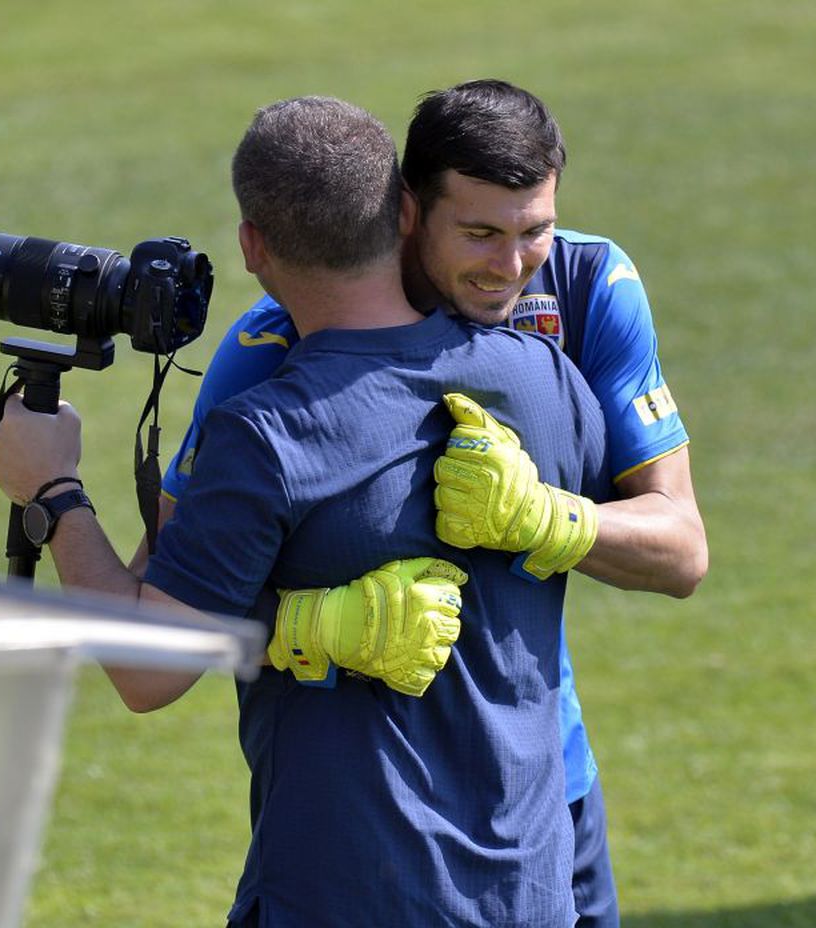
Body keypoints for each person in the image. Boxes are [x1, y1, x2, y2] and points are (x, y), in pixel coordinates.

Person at [0, 95, 611, 927]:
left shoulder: (266, 437)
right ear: (403, 214)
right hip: (531, 896)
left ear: (253, 246)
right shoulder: (546, 381)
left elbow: (147, 669)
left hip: (341, 898)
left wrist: (55, 490)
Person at [155, 79, 710, 926]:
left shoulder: (589, 284)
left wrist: (551, 519)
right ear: (408, 212)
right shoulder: (274, 347)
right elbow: (163, 593)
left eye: (535, 230)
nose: (513, 267)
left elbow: (682, 550)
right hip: (369, 844)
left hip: (545, 794)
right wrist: (301, 627)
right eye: (481, 233)